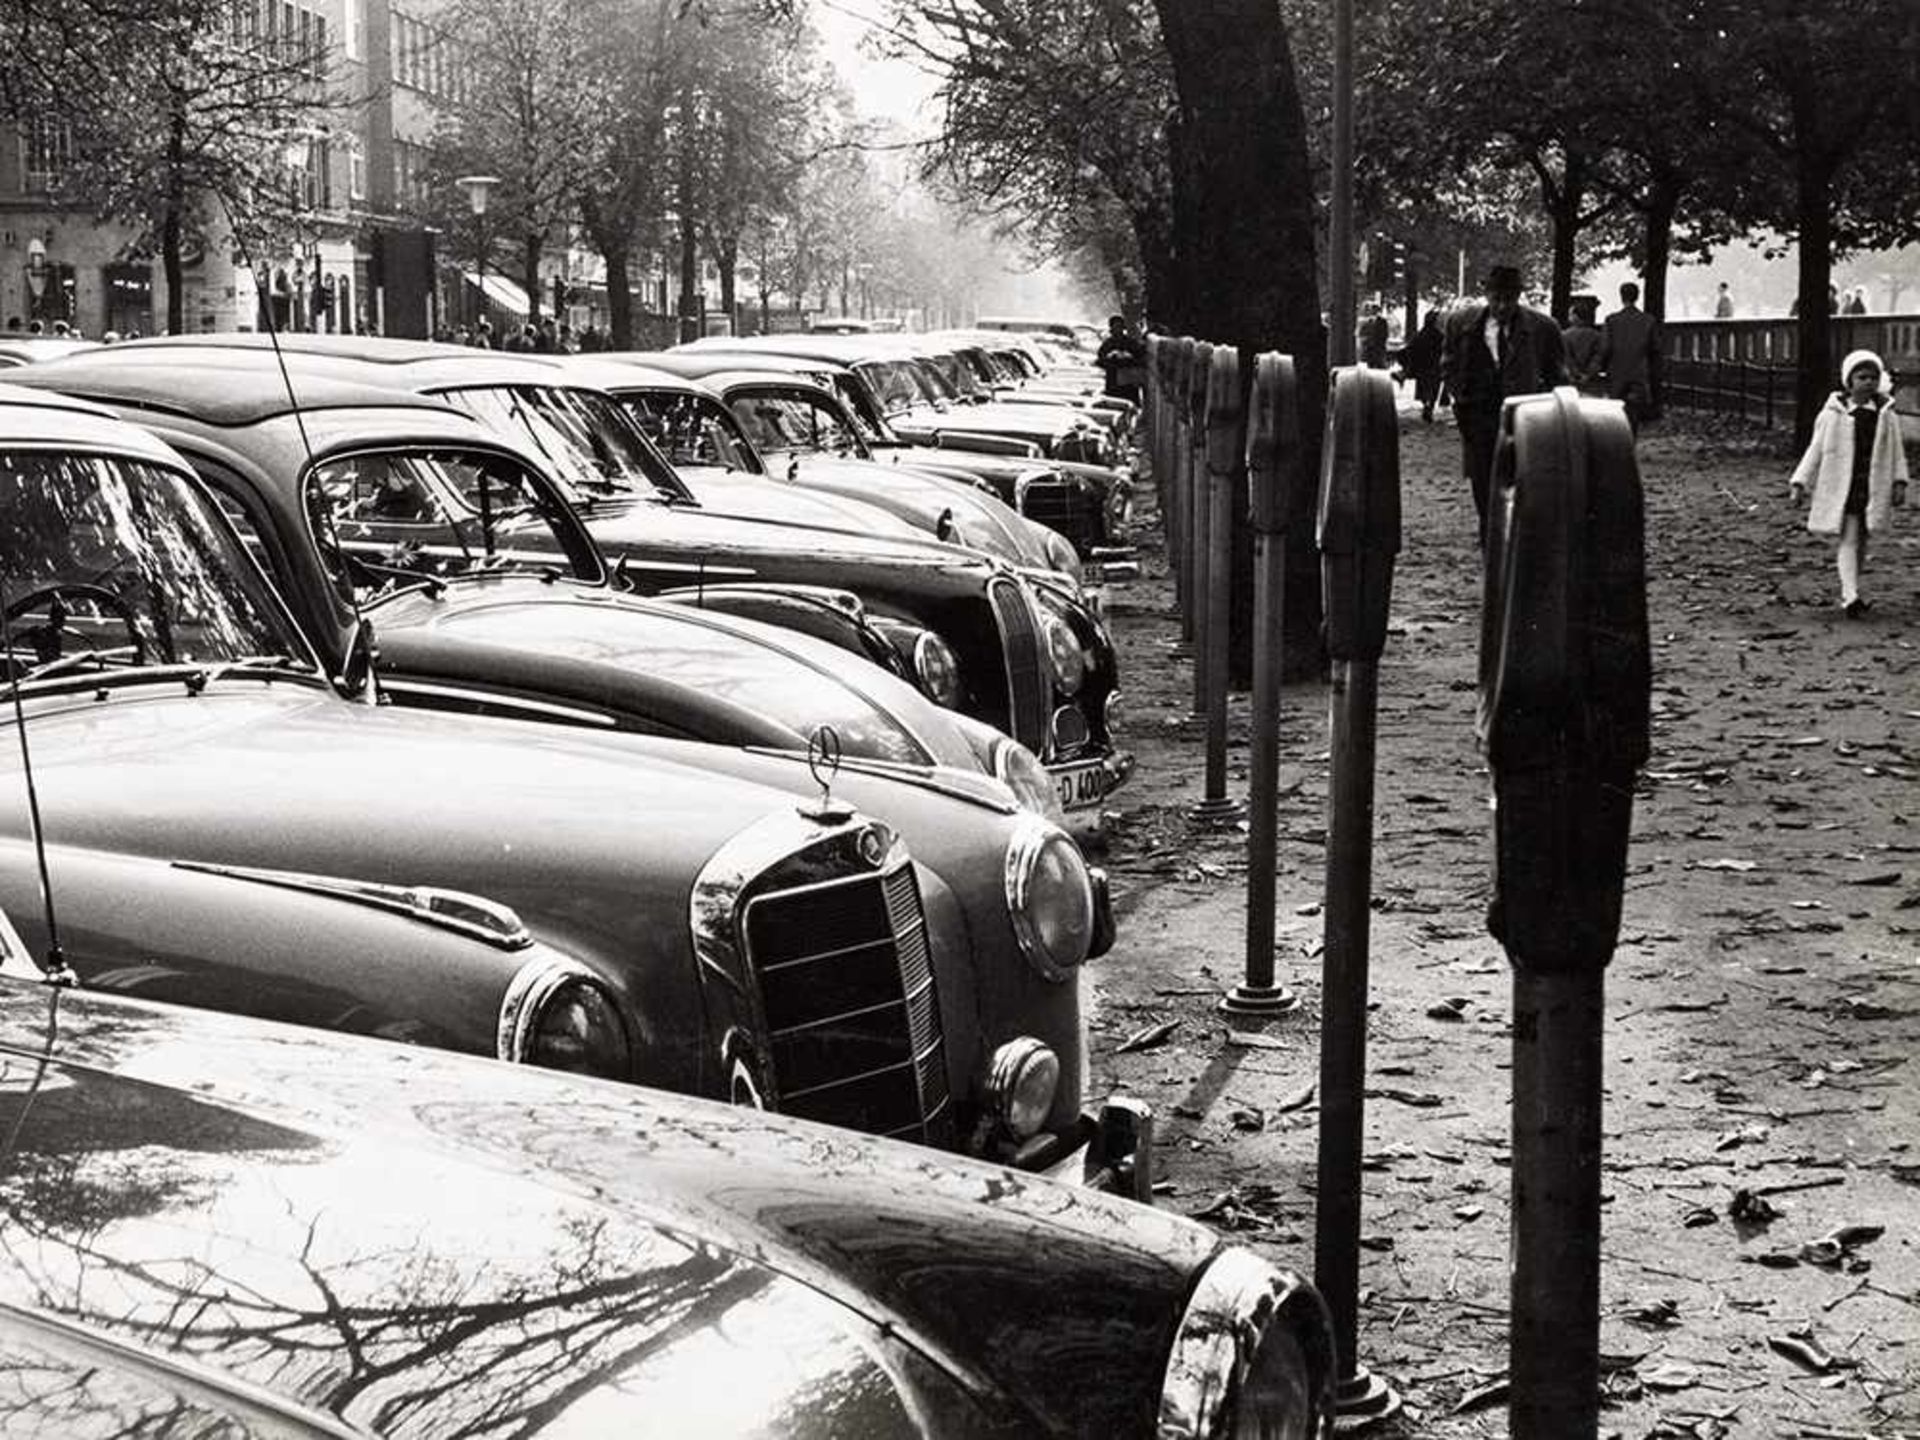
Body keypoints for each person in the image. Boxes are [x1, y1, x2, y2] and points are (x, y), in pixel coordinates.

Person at [1440, 264, 1569, 539]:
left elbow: (1558, 375)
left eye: (1508, 299)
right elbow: (1448, 362)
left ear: (1518, 296)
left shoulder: (1543, 328)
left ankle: (1517, 539)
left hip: (1525, 418)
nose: (1501, 306)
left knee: (1523, 479)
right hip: (1477, 417)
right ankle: (1492, 540)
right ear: (1486, 293)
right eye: (1496, 298)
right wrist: (1459, 395)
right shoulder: (1460, 323)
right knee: (1483, 483)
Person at [1789, 349, 1908, 618]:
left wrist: (1899, 481)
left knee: (1863, 538)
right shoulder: (1832, 414)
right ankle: (1850, 595)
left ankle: (1852, 589)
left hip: (1872, 484)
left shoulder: (1886, 414)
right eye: (1862, 377)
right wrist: (1800, 482)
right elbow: (1815, 449)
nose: (1868, 382)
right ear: (1849, 381)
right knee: (1850, 537)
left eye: (1873, 377)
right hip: (1844, 485)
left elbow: (1896, 450)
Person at [1599, 281, 1659, 434]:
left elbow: (1605, 348)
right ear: (1637, 297)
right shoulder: (1648, 320)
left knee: (1615, 411)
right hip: (1639, 372)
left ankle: (1618, 441)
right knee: (1635, 411)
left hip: (1617, 372)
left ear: (1621, 297)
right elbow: (1655, 349)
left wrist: (1601, 368)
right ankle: (1632, 438)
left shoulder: (1611, 320)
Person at [1400, 309, 1445, 422]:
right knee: (1433, 389)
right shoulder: (1439, 335)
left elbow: (1411, 349)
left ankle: (1427, 405)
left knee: (1424, 389)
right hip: (1434, 367)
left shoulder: (1421, 334)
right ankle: (1429, 407)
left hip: (1423, 368)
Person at [1094, 315, 1146, 403]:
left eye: (1120, 327)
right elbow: (1100, 360)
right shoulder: (1108, 344)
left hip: (1129, 385)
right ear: (1111, 328)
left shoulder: (1130, 343)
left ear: (1123, 328)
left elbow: (1141, 359)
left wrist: (1127, 360)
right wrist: (1112, 360)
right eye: (1115, 326)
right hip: (1113, 385)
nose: (1118, 329)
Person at [1561, 299, 1604, 389]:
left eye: (1571, 314)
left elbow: (1567, 358)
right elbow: (1598, 358)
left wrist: (1574, 374)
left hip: (1571, 380)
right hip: (1592, 380)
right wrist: (1588, 375)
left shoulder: (1565, 335)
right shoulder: (1597, 336)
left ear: (1576, 316)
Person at [1359, 303, 1390, 369]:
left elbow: (1385, 334)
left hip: (1379, 349)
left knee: (1380, 367)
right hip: (1369, 349)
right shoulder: (1367, 322)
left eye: (1375, 310)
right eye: (1372, 310)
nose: (1373, 311)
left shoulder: (1382, 321)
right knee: (1370, 367)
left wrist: (1380, 343)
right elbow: (1362, 333)